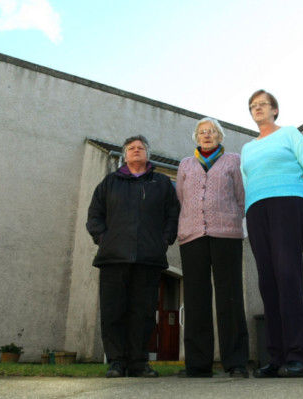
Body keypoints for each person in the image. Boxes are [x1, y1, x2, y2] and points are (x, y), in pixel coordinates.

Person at [240, 90, 303, 378]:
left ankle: (299, 357)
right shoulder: (247, 149)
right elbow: (247, 181)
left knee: (288, 277)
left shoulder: (290, 134)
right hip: (257, 210)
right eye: (253, 106)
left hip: (289, 203)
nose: (257, 108)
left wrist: (301, 205)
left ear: (275, 110)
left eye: (262, 104)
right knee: (268, 282)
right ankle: (275, 358)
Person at [86, 135, 180, 378]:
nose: (136, 151)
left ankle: (138, 363)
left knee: (144, 313)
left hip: (148, 258)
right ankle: (116, 362)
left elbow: (173, 214)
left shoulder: (161, 183)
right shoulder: (110, 182)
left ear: (147, 154)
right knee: (113, 312)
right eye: (131, 148)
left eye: (140, 148)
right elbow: (95, 215)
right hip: (113, 258)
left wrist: (165, 240)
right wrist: (102, 239)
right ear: (125, 155)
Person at [176, 117, 249, 378]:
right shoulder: (185, 164)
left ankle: (237, 362)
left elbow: (241, 197)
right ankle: (197, 364)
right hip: (192, 236)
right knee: (196, 300)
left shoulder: (234, 160)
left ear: (220, 136)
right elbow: (182, 199)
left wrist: (227, 219)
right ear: (196, 137)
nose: (206, 135)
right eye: (202, 132)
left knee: (230, 297)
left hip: (226, 235)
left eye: (211, 131)